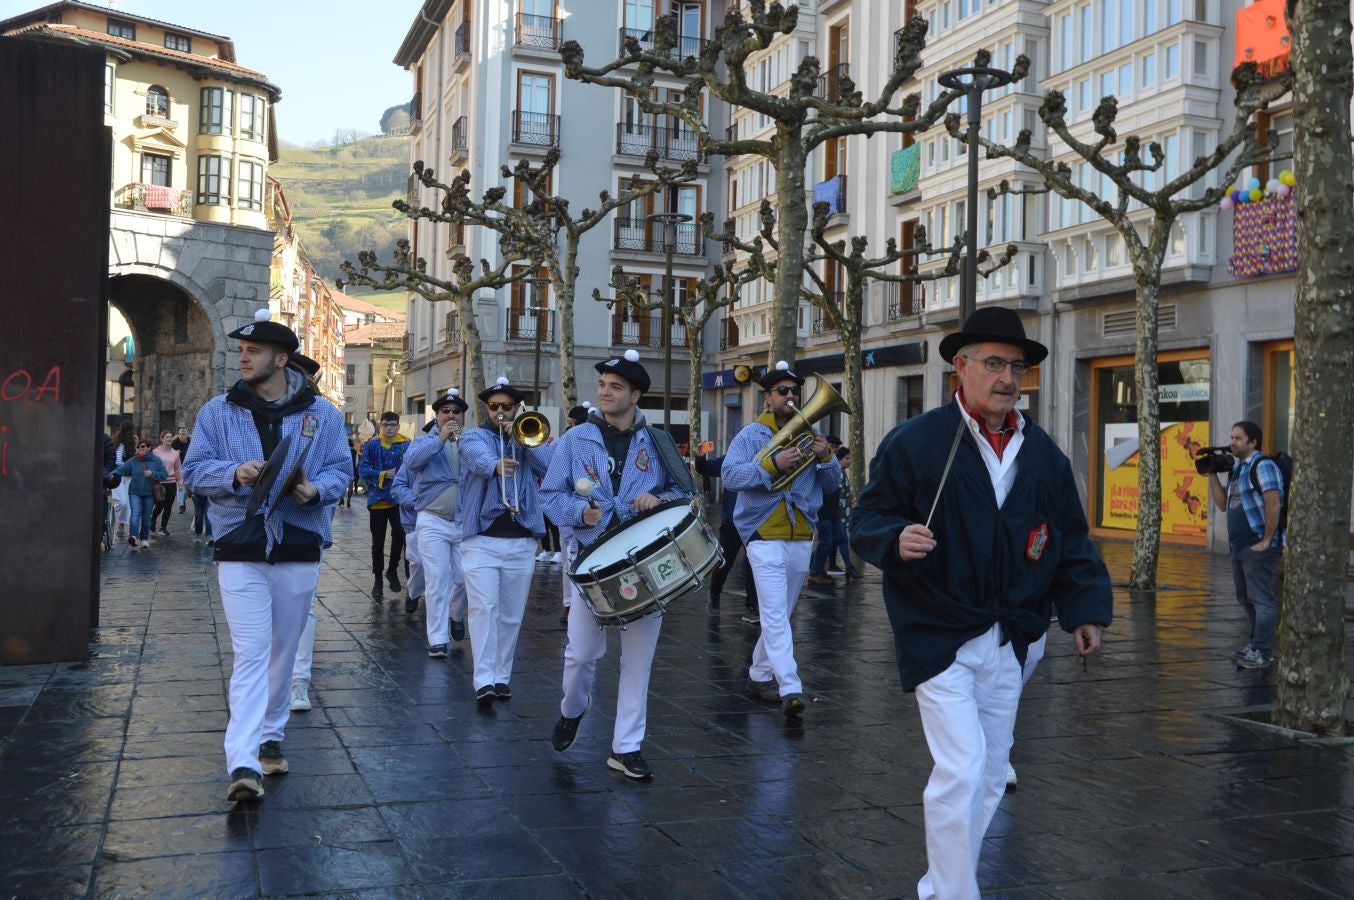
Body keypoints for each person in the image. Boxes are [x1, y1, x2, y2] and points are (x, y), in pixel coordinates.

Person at [849, 306, 1112, 899]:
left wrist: (1085, 609)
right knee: (963, 768)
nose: (1008, 378)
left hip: (1014, 635)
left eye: (1016, 366)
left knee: (990, 775)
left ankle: (942, 885)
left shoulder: (1042, 453)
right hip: (938, 629)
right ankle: (954, 893)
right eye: (994, 364)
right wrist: (894, 538)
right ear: (959, 369)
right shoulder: (915, 443)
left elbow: (1069, 538)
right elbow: (866, 517)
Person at [183, 308, 349, 803]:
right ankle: (243, 760)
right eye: (240, 350)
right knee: (251, 652)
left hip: (299, 548)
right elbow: (193, 472)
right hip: (240, 547)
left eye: (252, 351)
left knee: (283, 651)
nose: (243, 358)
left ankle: (271, 735)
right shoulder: (216, 412)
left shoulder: (324, 415)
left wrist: (315, 490)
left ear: (282, 359)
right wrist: (236, 473)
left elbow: (342, 469)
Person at [541, 349, 694, 780]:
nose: (605, 393)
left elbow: (686, 496)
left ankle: (626, 748)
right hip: (590, 561)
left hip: (643, 561)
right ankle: (573, 708)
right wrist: (578, 513)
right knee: (581, 655)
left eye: (616, 387)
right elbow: (550, 495)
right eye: (603, 386)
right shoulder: (575, 440)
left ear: (636, 395)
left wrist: (658, 500)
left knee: (638, 660)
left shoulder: (658, 441)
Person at [722, 361, 841, 718]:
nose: (791, 397)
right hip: (763, 533)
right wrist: (773, 464)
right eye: (783, 392)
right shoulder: (750, 435)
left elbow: (832, 485)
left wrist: (826, 459)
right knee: (773, 613)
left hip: (802, 530)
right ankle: (790, 685)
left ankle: (758, 675)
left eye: (795, 392)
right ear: (767, 398)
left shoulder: (811, 432)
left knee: (783, 614)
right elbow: (729, 476)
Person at [457, 377, 554, 703]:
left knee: (511, 614)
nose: (500, 411)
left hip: (521, 540)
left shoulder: (526, 437)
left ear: (516, 408)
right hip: (481, 539)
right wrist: (495, 465)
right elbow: (475, 456)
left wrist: (525, 441)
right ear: (487, 408)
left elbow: (551, 468)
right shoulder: (474, 435)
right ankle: (483, 680)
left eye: (506, 407)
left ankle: (501, 677)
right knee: (484, 608)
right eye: (494, 406)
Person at [1206, 420, 1285, 670]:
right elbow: (1222, 505)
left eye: (1238, 438)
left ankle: (1263, 651)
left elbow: (1274, 503)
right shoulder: (1238, 469)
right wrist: (1211, 475)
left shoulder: (1264, 465)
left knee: (1261, 600)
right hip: (1238, 545)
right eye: (1231, 437)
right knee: (1245, 598)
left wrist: (1267, 540)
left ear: (1253, 442)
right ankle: (1255, 645)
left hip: (1257, 545)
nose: (1232, 442)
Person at [404, 389, 471, 657]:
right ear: (437, 415)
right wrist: (440, 440)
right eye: (446, 411)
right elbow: (411, 463)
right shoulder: (423, 442)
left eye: (456, 411)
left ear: (463, 415)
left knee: (465, 578)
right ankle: (437, 639)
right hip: (432, 520)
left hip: (463, 521)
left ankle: (455, 615)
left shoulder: (471, 440)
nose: (451, 415)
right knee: (437, 579)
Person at [693, 448, 760, 622]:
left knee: (754, 563)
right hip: (732, 522)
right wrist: (700, 456)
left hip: (756, 522)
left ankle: (752, 607)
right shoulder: (731, 459)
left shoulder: (765, 458)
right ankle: (715, 592)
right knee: (725, 562)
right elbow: (704, 468)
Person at [358, 412, 411, 600]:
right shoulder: (372, 445)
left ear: (398, 426)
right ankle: (378, 579)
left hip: (398, 500)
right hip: (377, 501)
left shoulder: (406, 445)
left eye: (393, 425)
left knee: (399, 533)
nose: (389, 428)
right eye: (386, 424)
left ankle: (392, 570)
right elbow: (363, 469)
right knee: (377, 542)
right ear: (381, 426)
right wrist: (381, 474)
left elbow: (413, 469)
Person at [556, 403, 592, 624]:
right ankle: (570, 605)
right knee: (569, 556)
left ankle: (574, 604)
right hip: (571, 507)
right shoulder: (567, 439)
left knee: (571, 557)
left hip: (590, 508)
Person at [807, 445, 861, 585]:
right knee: (826, 541)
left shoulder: (835, 467)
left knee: (839, 538)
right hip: (824, 511)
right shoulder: (818, 466)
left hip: (834, 511)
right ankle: (815, 572)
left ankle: (819, 568)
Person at [114, 437, 167, 550]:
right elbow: (121, 469)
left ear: (149, 448)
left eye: (143, 446)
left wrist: (152, 473)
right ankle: (133, 536)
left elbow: (164, 474)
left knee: (146, 516)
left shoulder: (156, 461)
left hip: (149, 493)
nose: (140, 449)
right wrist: (111, 474)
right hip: (135, 492)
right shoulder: (133, 460)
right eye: (138, 447)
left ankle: (144, 538)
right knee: (135, 513)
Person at [150, 430, 183, 536]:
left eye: (170, 437)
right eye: (167, 437)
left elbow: (178, 469)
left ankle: (163, 527)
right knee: (159, 505)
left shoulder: (175, 453)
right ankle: (153, 520)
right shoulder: (155, 452)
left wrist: (180, 483)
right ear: (162, 439)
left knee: (168, 506)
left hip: (171, 482)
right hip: (159, 482)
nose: (169, 439)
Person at [111, 421, 136, 537]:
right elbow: (118, 461)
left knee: (127, 504)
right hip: (118, 476)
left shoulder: (131, 444)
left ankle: (121, 525)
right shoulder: (119, 444)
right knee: (121, 501)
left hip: (128, 477)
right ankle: (113, 519)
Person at [172, 426, 191, 512]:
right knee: (180, 487)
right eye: (180, 434)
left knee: (187, 490)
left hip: (189, 468)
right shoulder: (174, 444)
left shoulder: (191, 443)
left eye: (183, 434)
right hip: (178, 469)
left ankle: (183, 500)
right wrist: (176, 454)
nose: (181, 435)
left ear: (187, 434)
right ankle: (181, 505)